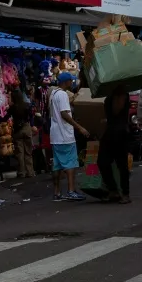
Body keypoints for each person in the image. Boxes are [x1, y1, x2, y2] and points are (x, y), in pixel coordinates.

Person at [47, 72, 84, 202]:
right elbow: (64, 114)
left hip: (56, 135)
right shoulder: (62, 94)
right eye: (70, 81)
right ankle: (71, 190)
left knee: (57, 165)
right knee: (71, 164)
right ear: (66, 82)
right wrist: (79, 127)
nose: (72, 83)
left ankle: (57, 192)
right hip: (65, 136)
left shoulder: (53, 94)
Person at [97, 87, 135, 203]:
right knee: (103, 161)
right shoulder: (113, 93)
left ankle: (125, 193)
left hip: (119, 132)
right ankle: (113, 190)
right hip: (111, 130)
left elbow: (116, 110)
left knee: (121, 163)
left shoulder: (120, 94)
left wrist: (117, 97)